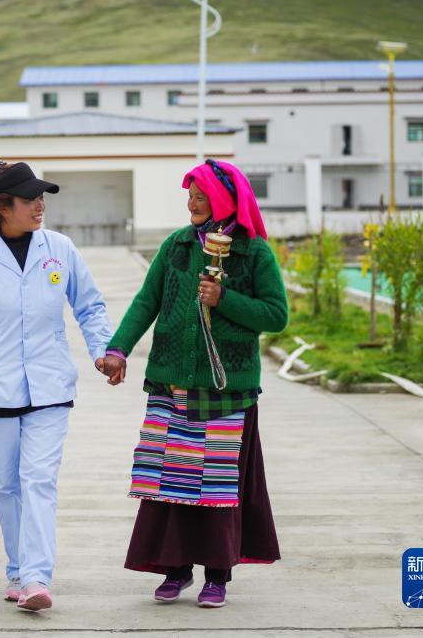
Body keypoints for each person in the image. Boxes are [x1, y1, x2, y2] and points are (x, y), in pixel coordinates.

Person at [101, 159, 286, 608]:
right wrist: (118, 349)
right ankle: (176, 570)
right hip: (171, 386)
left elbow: (276, 315)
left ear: (223, 201)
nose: (191, 205)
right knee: (169, 482)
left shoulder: (254, 253)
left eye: (200, 197)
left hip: (227, 393)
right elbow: (146, 301)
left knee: (216, 487)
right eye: (190, 197)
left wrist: (225, 299)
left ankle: (217, 576)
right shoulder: (177, 246)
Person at [0, 159, 115, 612]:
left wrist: (103, 350)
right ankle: (18, 569)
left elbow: (90, 306)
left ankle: (37, 577)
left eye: (41, 198)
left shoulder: (60, 249)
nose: (40, 206)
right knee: (7, 486)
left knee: (38, 480)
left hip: (49, 385)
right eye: (30, 199)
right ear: (2, 206)